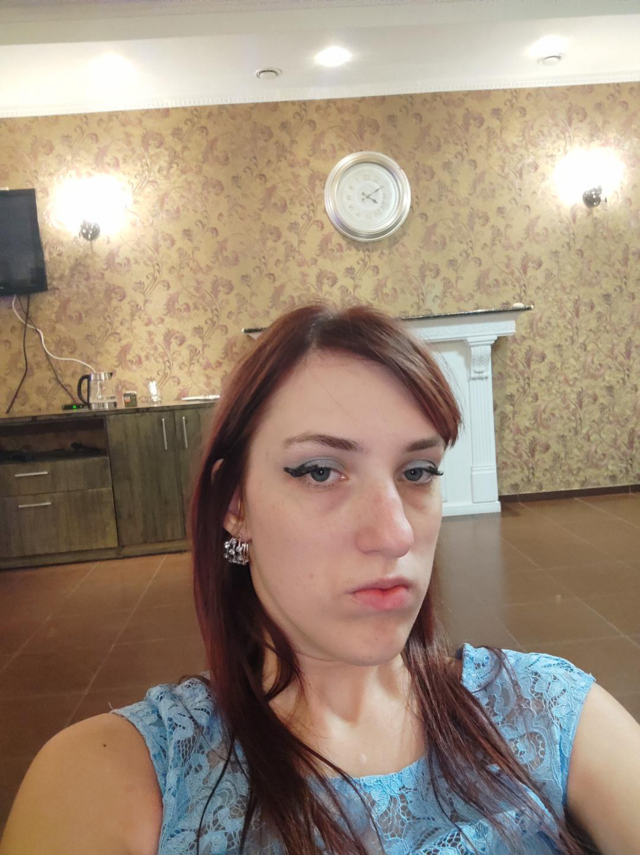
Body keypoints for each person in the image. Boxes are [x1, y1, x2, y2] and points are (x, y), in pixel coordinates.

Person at [2, 302, 639, 855]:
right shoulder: (110, 778)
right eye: (319, 471)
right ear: (236, 504)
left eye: (417, 472)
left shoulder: (547, 709)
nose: (394, 533)